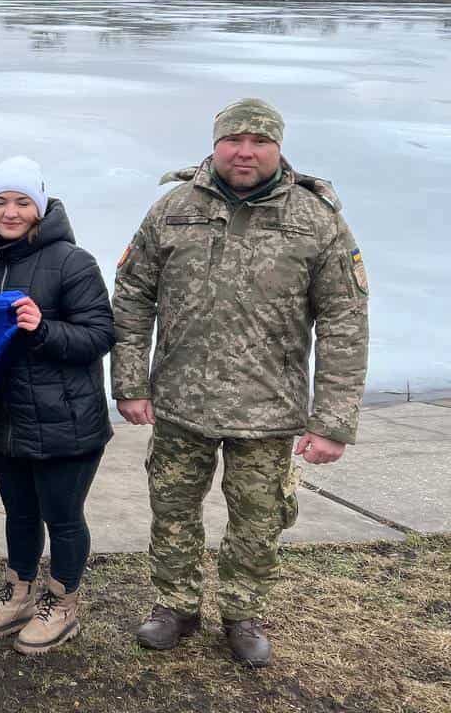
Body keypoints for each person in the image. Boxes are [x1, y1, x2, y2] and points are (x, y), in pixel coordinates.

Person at [111, 98, 369, 667]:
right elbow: (132, 298)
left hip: (268, 410)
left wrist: (333, 422)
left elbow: (345, 323)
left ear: (279, 147)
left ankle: (242, 613)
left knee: (258, 520)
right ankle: (174, 606)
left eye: (259, 142)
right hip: (180, 402)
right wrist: (130, 384)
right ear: (215, 143)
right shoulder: (173, 209)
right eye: (234, 140)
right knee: (172, 509)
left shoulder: (315, 219)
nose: (244, 152)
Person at [0, 156, 115, 655]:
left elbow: (99, 334)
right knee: (21, 516)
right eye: (1, 201)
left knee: (63, 517)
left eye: (22, 201)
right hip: (6, 417)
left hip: (67, 418)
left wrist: (43, 328)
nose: (10, 211)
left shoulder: (74, 261)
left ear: (40, 206)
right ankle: (19, 595)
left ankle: (63, 603)